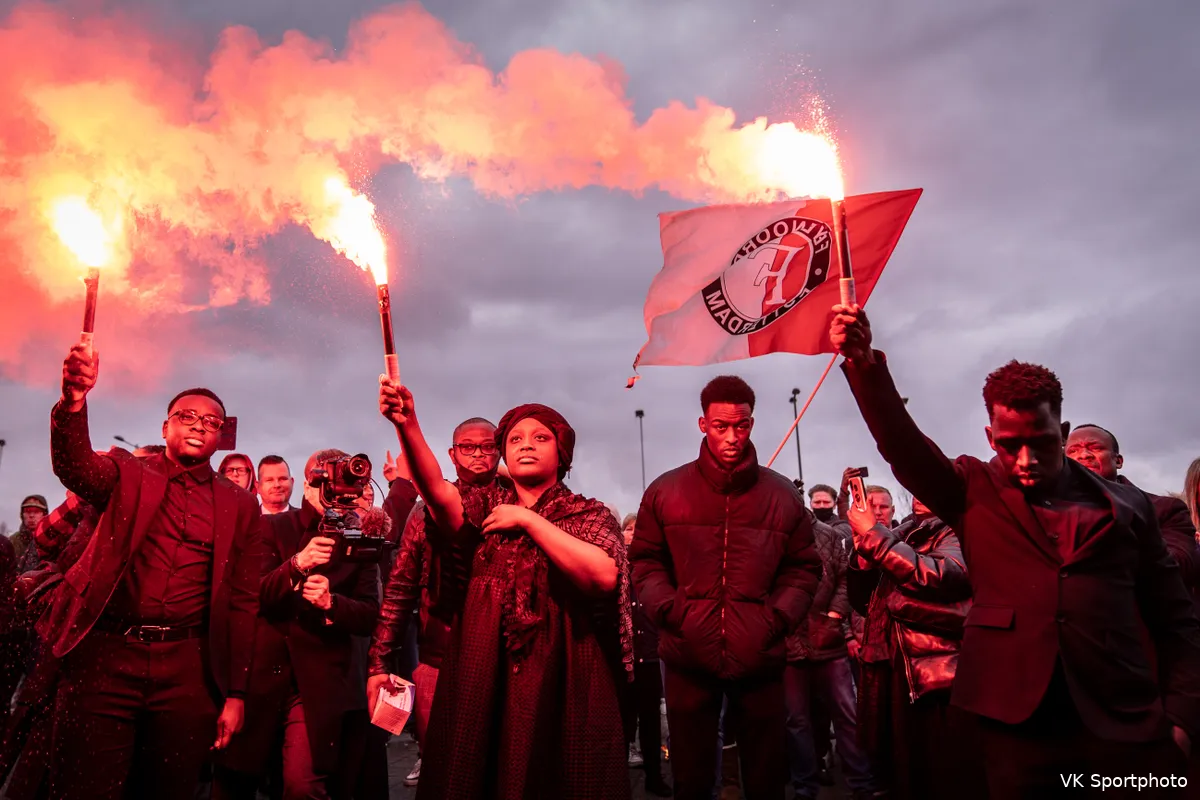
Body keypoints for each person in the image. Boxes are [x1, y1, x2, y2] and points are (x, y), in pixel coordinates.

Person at [830, 304, 1200, 796]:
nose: (1025, 460)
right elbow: (902, 446)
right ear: (990, 437)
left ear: (1063, 435)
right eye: (1009, 445)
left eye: (1041, 444)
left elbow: (1177, 621)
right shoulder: (973, 488)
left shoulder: (1129, 507)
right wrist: (862, 364)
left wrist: (1183, 720)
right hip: (1011, 726)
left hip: (1122, 722)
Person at [379, 379, 633, 800]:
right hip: (485, 675)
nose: (526, 445)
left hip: (566, 677)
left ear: (561, 452)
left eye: (540, 437)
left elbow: (602, 574)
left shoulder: (587, 512)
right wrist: (407, 424)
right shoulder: (482, 505)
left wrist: (530, 520)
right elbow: (438, 495)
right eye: (514, 438)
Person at [42, 343, 261, 800]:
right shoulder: (128, 472)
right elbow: (74, 466)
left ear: (221, 437)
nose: (200, 425)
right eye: (187, 416)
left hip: (187, 670)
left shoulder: (240, 504)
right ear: (165, 427)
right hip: (105, 657)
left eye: (212, 422)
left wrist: (236, 693)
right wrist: (73, 400)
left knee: (170, 791)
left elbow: (243, 602)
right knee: (82, 789)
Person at [630, 375, 821, 800]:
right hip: (687, 651)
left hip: (759, 652)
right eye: (721, 426)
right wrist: (671, 611)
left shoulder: (782, 495)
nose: (732, 436)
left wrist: (775, 619)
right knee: (693, 778)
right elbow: (644, 561)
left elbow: (804, 568)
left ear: (752, 423)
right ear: (703, 424)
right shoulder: (666, 490)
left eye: (742, 425)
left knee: (766, 776)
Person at [214, 449, 381, 800]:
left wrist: (332, 603)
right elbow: (250, 594)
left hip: (317, 685)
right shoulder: (266, 526)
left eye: (348, 485)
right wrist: (296, 565)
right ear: (306, 486)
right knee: (235, 782)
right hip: (259, 677)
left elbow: (369, 615)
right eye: (329, 483)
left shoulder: (360, 541)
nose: (339, 492)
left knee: (302, 785)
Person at [368, 417, 502, 789]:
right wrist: (379, 661)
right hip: (439, 658)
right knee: (443, 771)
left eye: (488, 446)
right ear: (452, 453)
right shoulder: (424, 510)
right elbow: (400, 589)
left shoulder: (517, 502)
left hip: (505, 659)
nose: (478, 455)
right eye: (468, 447)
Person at [844, 481, 980, 800]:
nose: (920, 492)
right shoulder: (905, 532)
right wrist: (863, 564)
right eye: (915, 486)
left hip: (938, 672)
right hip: (897, 667)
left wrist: (877, 539)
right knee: (904, 770)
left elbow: (943, 575)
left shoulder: (958, 529)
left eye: (926, 483)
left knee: (942, 772)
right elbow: (867, 603)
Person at [783, 510, 878, 800]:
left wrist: (835, 615)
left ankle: (862, 783)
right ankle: (804, 787)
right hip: (789, 642)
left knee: (847, 713)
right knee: (796, 720)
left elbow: (845, 580)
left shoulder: (830, 534)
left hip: (828, 637)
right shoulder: (773, 536)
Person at [1066, 424, 1199, 596]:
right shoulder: (1043, 508)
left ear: (1118, 460)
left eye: (1096, 448)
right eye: (1073, 451)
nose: (1084, 455)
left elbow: (1180, 566)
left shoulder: (1164, 509)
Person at [622, 512, 672, 797]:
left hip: (651, 653)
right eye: (628, 529)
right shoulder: (613, 562)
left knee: (651, 718)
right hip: (623, 653)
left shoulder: (656, 565)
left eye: (637, 529)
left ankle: (655, 776)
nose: (633, 533)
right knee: (622, 715)